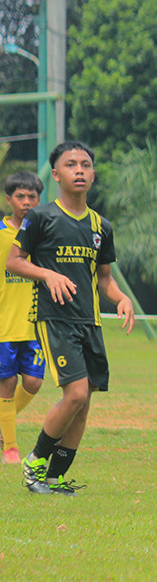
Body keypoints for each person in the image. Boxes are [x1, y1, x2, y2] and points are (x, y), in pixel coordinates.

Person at [5, 141, 135, 495]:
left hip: (89, 321)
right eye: (71, 164)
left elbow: (104, 279)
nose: (80, 169)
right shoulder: (41, 217)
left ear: (93, 174)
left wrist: (121, 298)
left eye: (86, 164)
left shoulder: (100, 226)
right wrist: (49, 275)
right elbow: (15, 261)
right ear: (56, 174)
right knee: (75, 394)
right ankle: (35, 461)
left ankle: (55, 477)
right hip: (54, 318)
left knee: (85, 399)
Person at [1, 172, 45, 463]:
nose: (26, 202)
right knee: (5, 383)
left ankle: (3, 424)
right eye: (20, 196)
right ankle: (10, 447)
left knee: (33, 383)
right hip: (4, 323)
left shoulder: (45, 233)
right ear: (9, 200)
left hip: (35, 324)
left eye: (32, 197)